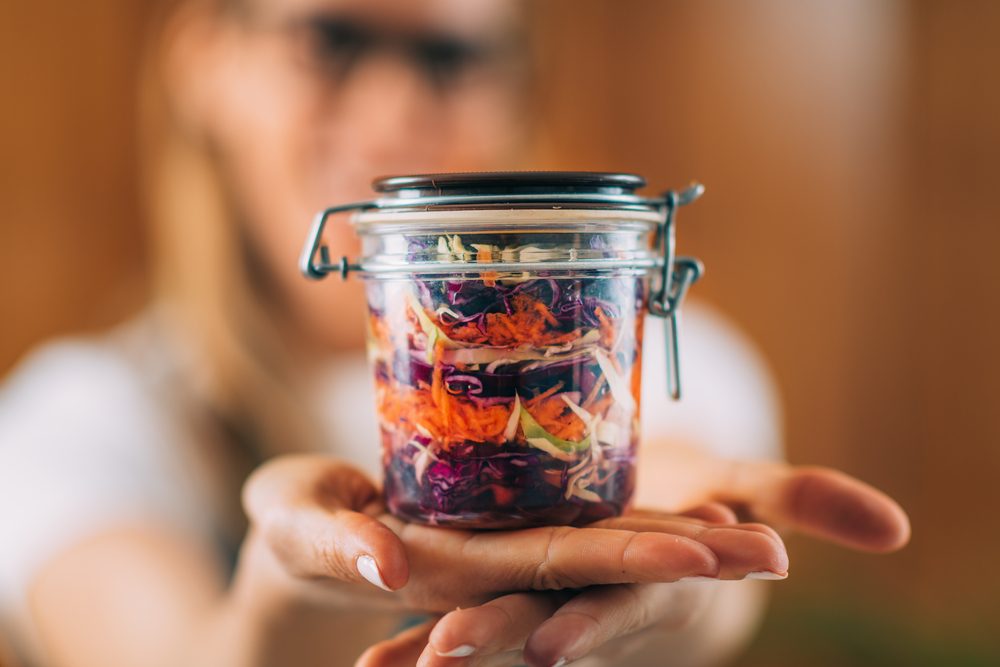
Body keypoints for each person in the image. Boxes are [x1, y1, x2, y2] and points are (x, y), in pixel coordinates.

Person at [0, 1, 910, 666]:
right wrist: (285, 616)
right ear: (205, 59)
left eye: (451, 55)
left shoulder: (686, 356)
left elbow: (694, 575)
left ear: (516, 87)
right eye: (331, 39)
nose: (395, 103)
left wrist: (679, 584)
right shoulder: (81, 414)